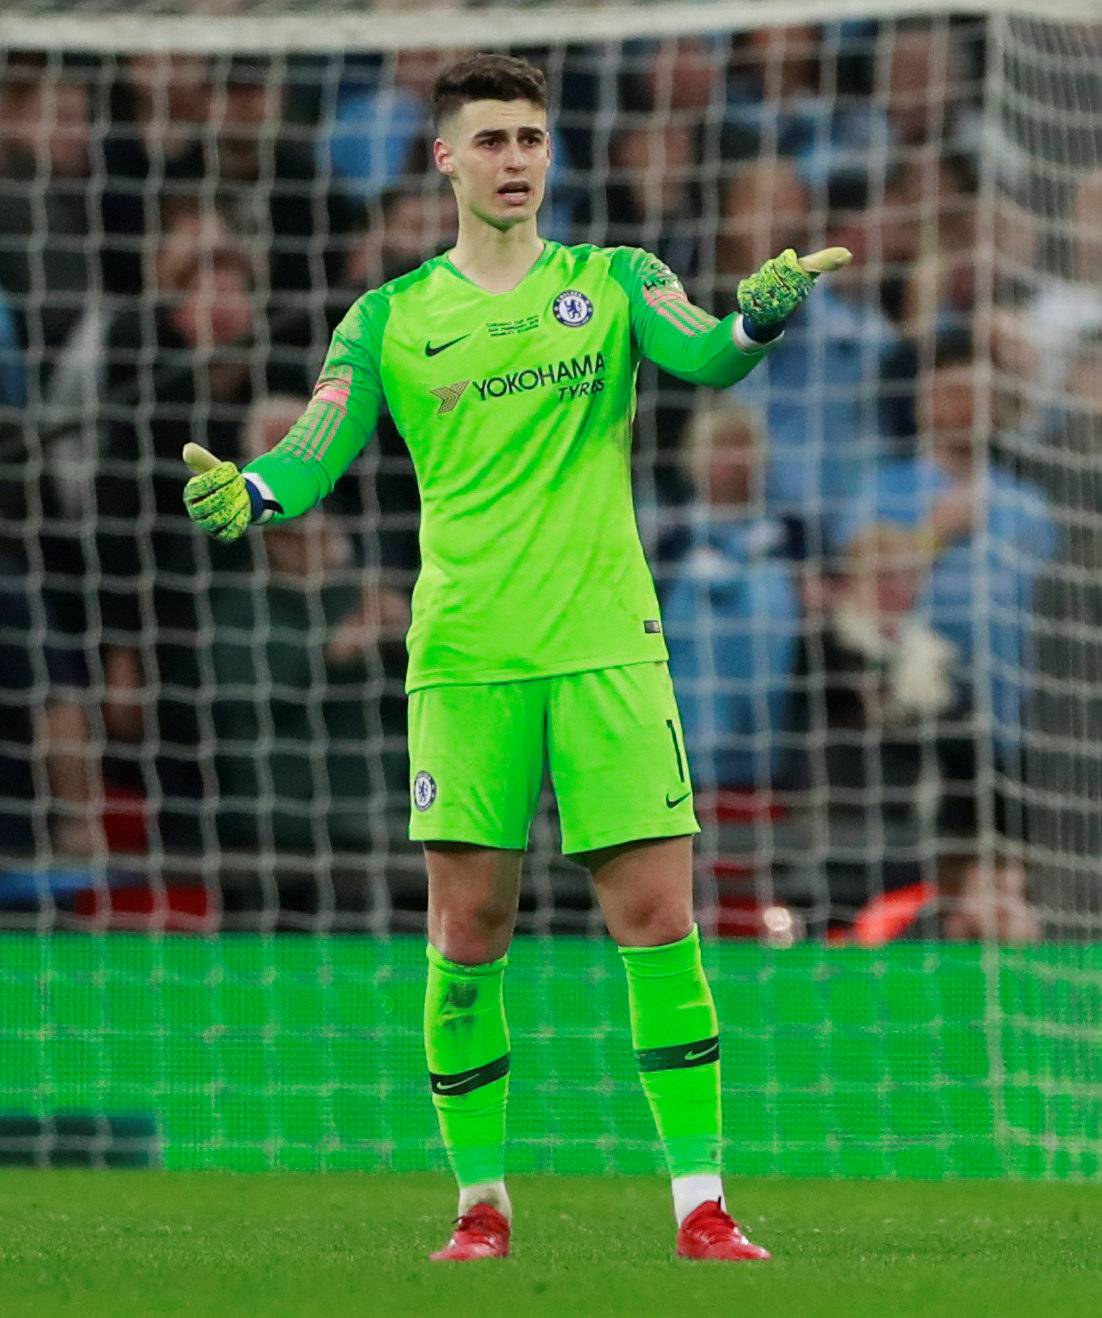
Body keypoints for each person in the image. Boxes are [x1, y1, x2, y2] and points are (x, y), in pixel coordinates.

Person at [181, 52, 847, 1263]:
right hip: (469, 654)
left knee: (657, 919)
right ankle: (479, 1203)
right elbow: (313, 446)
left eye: (530, 139)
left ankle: (701, 1204)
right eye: (489, 140)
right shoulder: (387, 315)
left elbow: (704, 354)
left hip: (605, 647)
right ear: (443, 157)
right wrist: (254, 494)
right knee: (469, 927)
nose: (514, 161)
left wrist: (759, 312)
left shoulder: (615, 279)